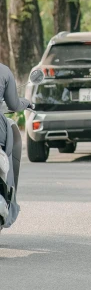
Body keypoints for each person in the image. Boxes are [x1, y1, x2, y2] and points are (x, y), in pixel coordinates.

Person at [0, 63, 32, 227]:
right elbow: (14, 105)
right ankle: (8, 195)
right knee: (7, 151)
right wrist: (26, 103)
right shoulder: (3, 71)